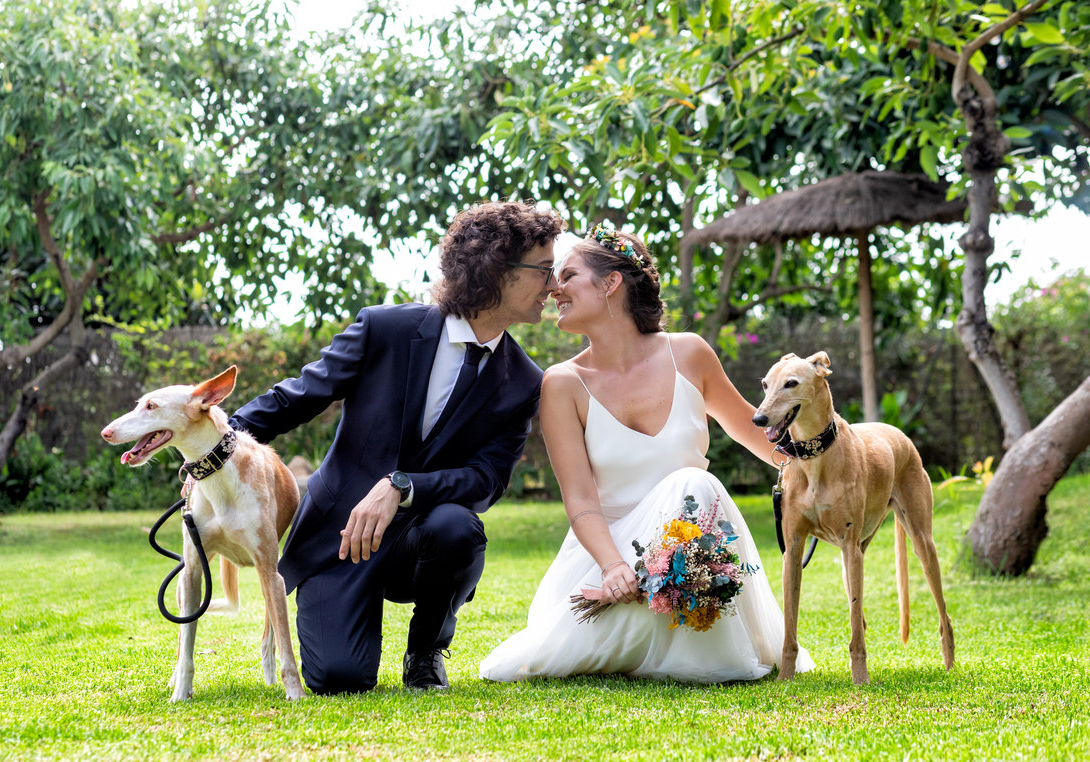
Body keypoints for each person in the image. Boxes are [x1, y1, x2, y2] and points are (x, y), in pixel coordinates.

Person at [228, 201, 565, 694]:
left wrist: (403, 487)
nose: (554, 286)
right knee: (341, 679)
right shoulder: (384, 329)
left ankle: (425, 652)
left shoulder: (524, 382)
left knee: (459, 528)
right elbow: (297, 398)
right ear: (497, 270)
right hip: (340, 536)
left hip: (421, 543)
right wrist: (220, 443)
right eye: (544, 269)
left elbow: (487, 480)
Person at [479, 225, 814, 683]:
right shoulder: (561, 384)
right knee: (692, 483)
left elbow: (760, 438)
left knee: (694, 484)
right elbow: (579, 499)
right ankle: (637, 616)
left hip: (696, 549)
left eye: (568, 275)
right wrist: (614, 567)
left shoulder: (689, 354)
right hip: (609, 557)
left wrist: (825, 466)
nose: (553, 288)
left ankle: (692, 622)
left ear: (611, 283)